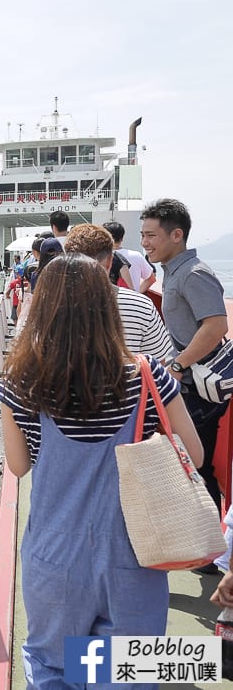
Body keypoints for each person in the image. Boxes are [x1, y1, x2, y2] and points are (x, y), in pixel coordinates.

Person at [0, 253, 202, 689]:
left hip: (53, 554)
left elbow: (17, 466)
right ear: (107, 306)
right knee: (126, 670)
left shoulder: (21, 383)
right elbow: (194, 455)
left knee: (54, 667)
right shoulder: (147, 377)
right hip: (137, 552)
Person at [141, 198, 230, 525]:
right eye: (143, 235)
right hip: (191, 385)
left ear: (176, 235)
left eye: (151, 235)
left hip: (199, 388)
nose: (145, 242)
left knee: (197, 464)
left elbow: (216, 324)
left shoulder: (193, 273)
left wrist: (177, 366)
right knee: (191, 463)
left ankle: (207, 550)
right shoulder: (175, 273)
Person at [64, 223, 173, 363]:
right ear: (110, 262)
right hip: (128, 383)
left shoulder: (48, 304)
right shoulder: (142, 305)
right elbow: (160, 362)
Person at [104, 220, 153, 292]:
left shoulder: (99, 257)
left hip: (108, 300)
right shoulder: (136, 256)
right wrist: (137, 294)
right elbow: (151, 279)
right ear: (122, 238)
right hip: (131, 300)